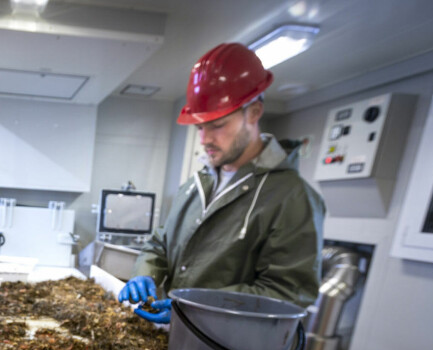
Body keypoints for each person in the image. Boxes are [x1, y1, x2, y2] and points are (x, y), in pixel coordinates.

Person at [119, 42, 324, 323]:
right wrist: (145, 274)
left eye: (217, 125)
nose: (205, 140)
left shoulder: (291, 197)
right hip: (181, 339)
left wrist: (192, 307)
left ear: (253, 113)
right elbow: (160, 245)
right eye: (200, 127)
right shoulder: (196, 185)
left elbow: (286, 292)